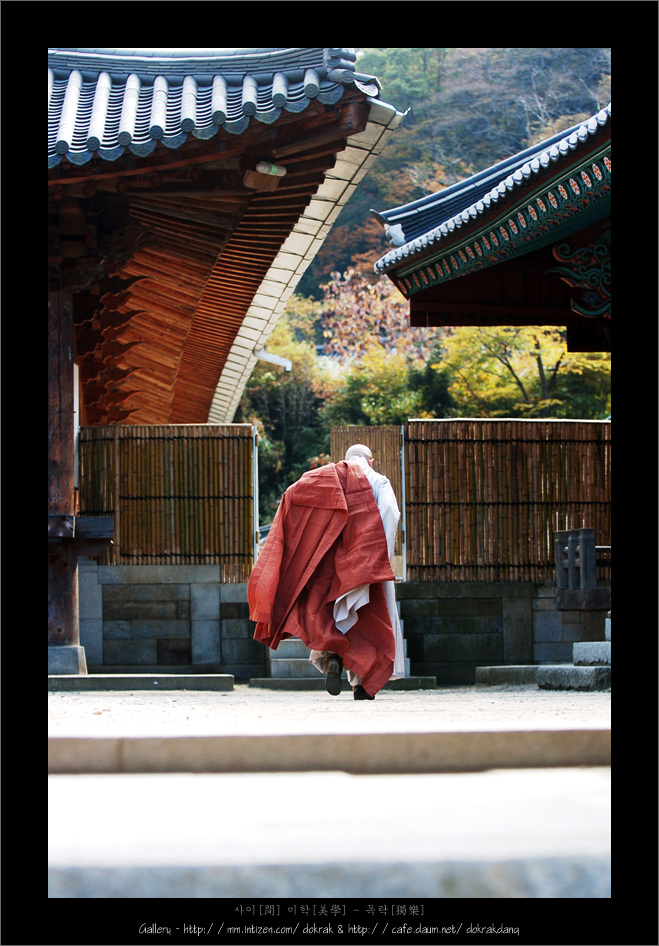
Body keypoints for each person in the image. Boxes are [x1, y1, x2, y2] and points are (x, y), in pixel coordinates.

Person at [248, 444, 405, 700]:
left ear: (346, 459)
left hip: (333, 563)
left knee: (329, 613)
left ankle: (332, 655)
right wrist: (377, 556)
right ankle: (361, 684)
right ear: (371, 461)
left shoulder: (330, 475)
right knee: (368, 617)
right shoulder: (379, 481)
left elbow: (295, 492)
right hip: (366, 560)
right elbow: (390, 512)